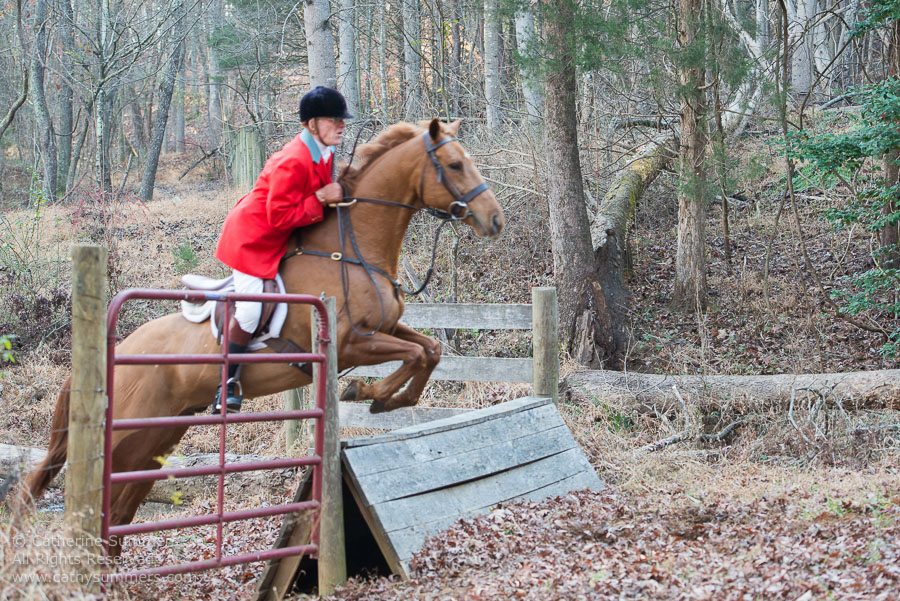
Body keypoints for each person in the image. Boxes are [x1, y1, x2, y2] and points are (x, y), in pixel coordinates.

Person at [212, 86, 353, 413]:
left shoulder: (323, 152)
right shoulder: (293, 159)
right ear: (312, 124)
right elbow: (279, 217)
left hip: (278, 239)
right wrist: (320, 199)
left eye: (341, 119)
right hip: (252, 240)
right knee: (249, 309)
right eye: (334, 120)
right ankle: (226, 383)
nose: (341, 125)